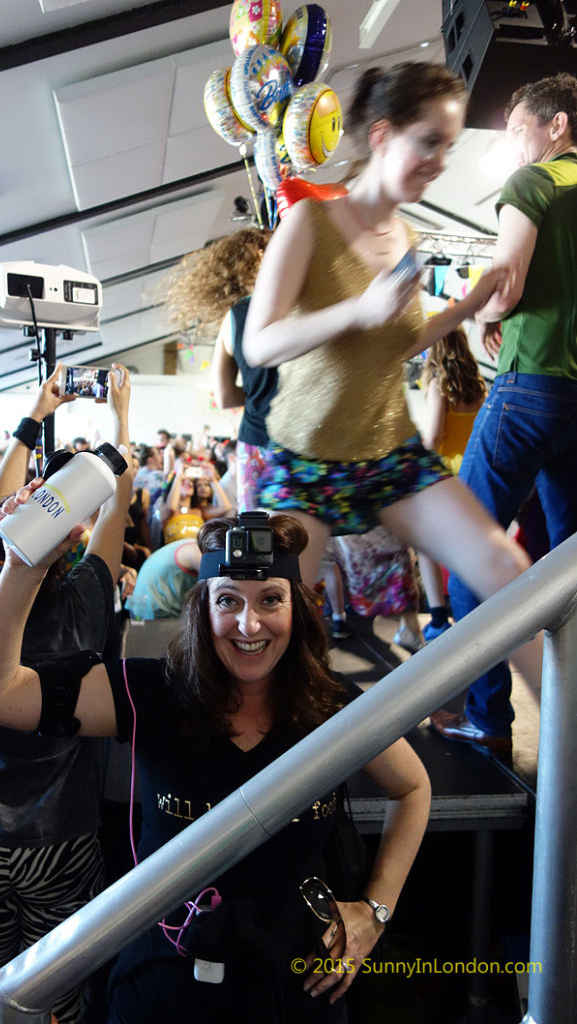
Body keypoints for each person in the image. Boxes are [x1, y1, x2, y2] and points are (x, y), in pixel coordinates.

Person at [0, 509, 430, 1023]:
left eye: (271, 599)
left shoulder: (333, 707)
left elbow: (411, 788)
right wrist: (22, 566)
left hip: (298, 986)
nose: (249, 625)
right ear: (203, 608)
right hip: (167, 983)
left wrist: (375, 912)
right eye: (228, 600)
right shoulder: (153, 692)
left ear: (299, 608)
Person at [242, 61, 542, 741]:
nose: (440, 160)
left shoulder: (403, 238)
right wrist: (358, 309)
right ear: (381, 135)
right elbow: (260, 343)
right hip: (306, 460)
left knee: (507, 568)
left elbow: (392, 346)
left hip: (388, 450)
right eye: (428, 141)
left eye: (450, 145)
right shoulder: (309, 223)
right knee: (275, 633)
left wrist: (467, 306)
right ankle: (260, 791)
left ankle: (570, 744)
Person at [0, 363, 133, 1024]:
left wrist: (38, 408)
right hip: (62, 840)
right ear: (74, 538)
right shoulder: (87, 599)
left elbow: (0, 526)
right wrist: (120, 419)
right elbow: (116, 504)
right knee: (52, 1002)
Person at [431, 72, 577, 749]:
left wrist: (489, 310)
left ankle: (489, 716)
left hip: (528, 393)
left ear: (558, 125)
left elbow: (507, 280)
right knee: (568, 570)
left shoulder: (536, 182)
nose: (514, 143)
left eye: (520, 128)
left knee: (469, 547)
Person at [163, 227, 273, 510]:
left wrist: (261, 394)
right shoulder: (309, 302)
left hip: (258, 441)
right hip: (309, 439)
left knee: (261, 537)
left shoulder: (234, 317)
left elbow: (223, 396)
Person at [417, 328, 487, 642]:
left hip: (442, 474)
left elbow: (432, 437)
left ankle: (437, 620)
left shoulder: (437, 383)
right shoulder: (477, 385)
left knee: (425, 547)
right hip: (473, 470)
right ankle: (481, 612)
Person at [160, 458, 232, 544]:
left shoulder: (199, 511)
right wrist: (178, 477)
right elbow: (171, 507)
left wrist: (212, 480)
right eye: (183, 481)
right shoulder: (166, 510)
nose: (189, 483)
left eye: (190, 482)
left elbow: (225, 507)